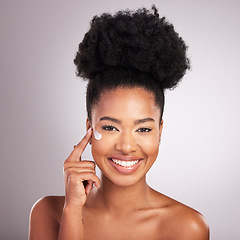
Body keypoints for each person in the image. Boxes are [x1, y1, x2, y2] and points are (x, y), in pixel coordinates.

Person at [28, 5, 209, 240]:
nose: (126, 146)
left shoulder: (187, 227)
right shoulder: (49, 212)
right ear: (89, 129)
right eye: (110, 127)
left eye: (143, 128)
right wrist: (72, 211)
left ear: (160, 131)